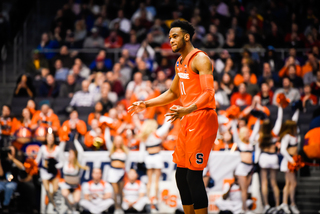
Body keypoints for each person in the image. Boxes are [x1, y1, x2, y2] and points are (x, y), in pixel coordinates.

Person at [129, 20, 218, 214]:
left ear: (186, 36)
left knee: (194, 177)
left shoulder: (200, 59)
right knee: (181, 176)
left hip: (202, 117)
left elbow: (209, 93)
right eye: (169, 37)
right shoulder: (179, 62)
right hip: (187, 117)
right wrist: (146, 103)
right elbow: (172, 93)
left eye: (174, 36)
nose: (170, 40)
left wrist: (188, 109)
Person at [137, 118, 171, 206]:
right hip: (157, 157)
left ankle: (149, 198)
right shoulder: (157, 133)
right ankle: (155, 198)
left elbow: (141, 150)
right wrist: (168, 117)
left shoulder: (144, 135)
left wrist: (141, 160)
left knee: (149, 180)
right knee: (156, 180)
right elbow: (166, 126)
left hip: (148, 157)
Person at [256, 107, 283, 213]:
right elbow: (279, 120)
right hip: (273, 157)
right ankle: (277, 205)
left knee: (264, 182)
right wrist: (280, 107)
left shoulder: (261, 135)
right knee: (274, 183)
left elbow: (257, 148)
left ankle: (266, 205)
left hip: (264, 158)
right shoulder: (274, 132)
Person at [231, 119, 259, 213]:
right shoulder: (239, 142)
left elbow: (255, 131)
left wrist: (259, 119)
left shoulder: (250, 142)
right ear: (243, 133)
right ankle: (244, 209)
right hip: (242, 168)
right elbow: (235, 134)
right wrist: (234, 122)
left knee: (247, 189)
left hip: (250, 167)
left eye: (248, 132)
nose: (248, 134)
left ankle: (244, 208)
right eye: (246, 132)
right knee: (243, 189)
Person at [279, 110, 300, 214]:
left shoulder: (294, 135)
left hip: (293, 160)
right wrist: (291, 160)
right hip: (288, 161)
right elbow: (282, 150)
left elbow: (295, 119)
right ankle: (290, 203)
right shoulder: (286, 137)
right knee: (292, 183)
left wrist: (297, 110)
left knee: (289, 183)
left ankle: (286, 203)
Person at [35, 131, 63, 210]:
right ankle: (52, 205)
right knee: (47, 189)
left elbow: (62, 162)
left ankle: (49, 202)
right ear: (46, 138)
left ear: (54, 139)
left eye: (52, 137)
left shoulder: (57, 149)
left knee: (54, 189)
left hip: (54, 172)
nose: (50, 139)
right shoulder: (43, 148)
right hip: (44, 171)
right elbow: (37, 161)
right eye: (48, 137)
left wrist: (54, 166)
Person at [59, 138, 88, 213]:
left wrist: (75, 141)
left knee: (76, 200)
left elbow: (81, 152)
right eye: (69, 153)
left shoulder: (78, 164)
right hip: (66, 185)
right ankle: (69, 209)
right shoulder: (65, 162)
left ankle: (73, 209)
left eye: (71, 153)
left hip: (75, 186)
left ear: (75, 155)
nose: (69, 155)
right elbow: (60, 152)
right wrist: (63, 141)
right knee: (64, 194)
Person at [107, 136, 129, 214]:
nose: (118, 143)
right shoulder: (112, 150)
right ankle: (117, 207)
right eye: (117, 140)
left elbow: (127, 163)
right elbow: (107, 139)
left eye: (120, 141)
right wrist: (106, 126)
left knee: (121, 192)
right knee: (115, 192)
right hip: (113, 172)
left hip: (121, 172)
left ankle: (121, 207)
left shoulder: (125, 151)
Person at [0, 146, 19, 212]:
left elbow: (22, 167)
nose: (10, 152)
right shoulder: (3, 160)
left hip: (12, 182)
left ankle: (5, 205)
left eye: (11, 151)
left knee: (9, 187)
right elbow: (1, 174)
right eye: (9, 150)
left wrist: (12, 158)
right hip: (2, 181)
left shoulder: (16, 160)